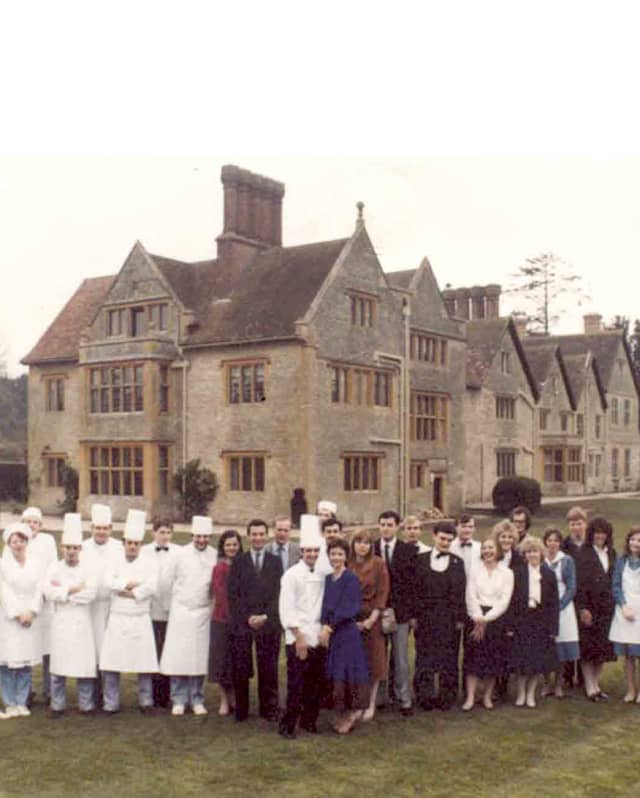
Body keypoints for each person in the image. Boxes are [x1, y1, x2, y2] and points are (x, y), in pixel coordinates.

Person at [99, 509, 158, 714]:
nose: (132, 547)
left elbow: (152, 585)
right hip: (118, 616)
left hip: (140, 616)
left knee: (144, 662)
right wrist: (131, 583)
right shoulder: (113, 560)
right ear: (123, 543)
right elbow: (108, 581)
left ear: (141, 545)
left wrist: (130, 592)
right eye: (129, 543)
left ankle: (146, 701)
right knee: (112, 661)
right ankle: (111, 702)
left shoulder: (150, 562)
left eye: (136, 543)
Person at [160, 515, 217, 716]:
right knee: (179, 657)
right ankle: (178, 699)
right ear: (192, 535)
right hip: (181, 612)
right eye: (198, 536)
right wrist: (170, 608)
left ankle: (197, 699)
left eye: (205, 537)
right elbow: (166, 582)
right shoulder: (179, 554)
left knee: (198, 659)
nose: (202, 540)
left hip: (203, 612)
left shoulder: (214, 555)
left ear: (209, 536)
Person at [227, 518, 283, 722]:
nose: (258, 538)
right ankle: (241, 710)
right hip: (243, 622)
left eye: (261, 534)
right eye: (254, 534)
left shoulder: (275, 562)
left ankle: (268, 708)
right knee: (241, 667)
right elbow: (233, 594)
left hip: (268, 622)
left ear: (266, 535)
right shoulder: (239, 561)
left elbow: (278, 593)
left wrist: (266, 616)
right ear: (248, 536)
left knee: (268, 667)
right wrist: (247, 617)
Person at [44, 513, 98, 717]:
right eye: (68, 547)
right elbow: (48, 592)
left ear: (80, 549)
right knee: (59, 663)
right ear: (62, 548)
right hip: (61, 620)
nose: (71, 552)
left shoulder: (88, 568)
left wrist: (64, 592)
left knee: (83, 664)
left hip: (82, 619)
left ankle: (86, 705)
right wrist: (74, 589)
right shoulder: (54, 567)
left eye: (75, 548)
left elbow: (91, 594)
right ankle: (57, 705)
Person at [278, 515, 326, 739]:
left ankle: (310, 721)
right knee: (296, 684)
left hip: (317, 635)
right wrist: (298, 637)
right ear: (301, 552)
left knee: (315, 684)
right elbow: (287, 609)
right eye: (309, 551)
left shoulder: (322, 573)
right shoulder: (291, 575)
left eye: (316, 551)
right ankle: (288, 724)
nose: (313, 555)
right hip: (297, 636)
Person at [412, 521, 466, 711]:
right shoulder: (420, 560)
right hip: (425, 617)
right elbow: (414, 590)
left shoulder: (458, 563)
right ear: (434, 536)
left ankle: (447, 697)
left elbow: (461, 593)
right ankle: (424, 696)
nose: (445, 543)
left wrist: (460, 619)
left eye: (449, 540)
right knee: (424, 656)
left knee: (449, 657)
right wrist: (414, 616)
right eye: (442, 539)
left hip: (449, 618)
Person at [319, 538, 370, 734]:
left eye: (340, 554)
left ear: (346, 556)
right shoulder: (327, 579)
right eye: (333, 554)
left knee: (349, 674)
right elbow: (324, 605)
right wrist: (324, 624)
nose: (336, 558)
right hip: (332, 635)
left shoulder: (350, 579)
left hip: (346, 633)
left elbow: (350, 608)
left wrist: (329, 627)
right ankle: (339, 713)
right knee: (336, 674)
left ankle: (351, 714)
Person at [462, 537, 514, 711]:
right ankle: (470, 697)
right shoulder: (474, 570)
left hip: (496, 619)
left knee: (493, 659)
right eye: (484, 548)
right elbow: (470, 595)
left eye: (491, 548)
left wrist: (487, 619)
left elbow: (504, 600)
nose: (487, 551)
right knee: (473, 658)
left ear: (498, 550)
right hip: (475, 617)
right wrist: (477, 617)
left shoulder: (507, 573)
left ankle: (486, 697)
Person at [80, 503, 124, 702]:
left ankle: (111, 698)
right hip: (89, 607)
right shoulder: (82, 548)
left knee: (111, 652)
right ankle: (93, 695)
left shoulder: (118, 548)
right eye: (97, 528)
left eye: (105, 528)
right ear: (91, 529)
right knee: (90, 651)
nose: (101, 532)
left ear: (111, 529)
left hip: (112, 606)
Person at [374, 510, 415, 715]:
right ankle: (380, 696)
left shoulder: (408, 550)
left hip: (400, 612)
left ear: (398, 526)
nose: (386, 528)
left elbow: (413, 585)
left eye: (390, 524)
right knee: (378, 655)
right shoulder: (371, 548)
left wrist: (411, 613)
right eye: (383, 524)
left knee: (401, 659)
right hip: (376, 612)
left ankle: (404, 698)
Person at [511, 536, 559, 708]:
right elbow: (512, 601)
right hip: (522, 620)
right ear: (525, 554)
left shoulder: (549, 574)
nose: (532, 554)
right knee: (522, 660)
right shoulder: (518, 573)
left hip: (541, 622)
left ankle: (531, 694)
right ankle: (521, 693)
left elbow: (554, 603)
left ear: (541, 553)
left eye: (535, 551)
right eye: (529, 551)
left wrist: (553, 628)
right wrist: (511, 625)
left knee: (536, 661)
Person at [0, 522, 42, 718]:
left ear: (27, 542)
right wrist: (17, 614)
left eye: (21, 541)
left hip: (29, 617)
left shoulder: (36, 564)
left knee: (24, 663)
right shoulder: (2, 565)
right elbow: (3, 592)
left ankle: (22, 701)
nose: (18, 545)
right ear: (9, 544)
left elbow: (39, 589)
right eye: (14, 541)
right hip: (9, 618)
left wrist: (31, 612)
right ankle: (9, 703)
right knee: (7, 662)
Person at [140, 516, 181, 709]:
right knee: (152, 651)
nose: (165, 536)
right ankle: (152, 695)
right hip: (149, 609)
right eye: (161, 532)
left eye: (168, 532)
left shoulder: (179, 553)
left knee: (168, 650)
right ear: (153, 533)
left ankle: (167, 695)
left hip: (171, 609)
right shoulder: (144, 552)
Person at [349, 528, 389, 721]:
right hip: (349, 619)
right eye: (358, 542)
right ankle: (357, 703)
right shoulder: (347, 563)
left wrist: (371, 620)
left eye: (366, 542)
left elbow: (382, 593)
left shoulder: (378, 564)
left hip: (371, 618)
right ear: (353, 544)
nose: (362, 546)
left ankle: (370, 703)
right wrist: (350, 621)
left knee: (373, 663)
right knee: (354, 663)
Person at [575, 516, 617, 701]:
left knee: (602, 648)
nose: (600, 535)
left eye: (603, 532)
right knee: (588, 648)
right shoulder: (583, 553)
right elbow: (579, 583)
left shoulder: (612, 553)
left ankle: (597, 684)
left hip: (607, 609)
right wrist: (582, 608)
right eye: (597, 532)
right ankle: (589, 686)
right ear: (591, 534)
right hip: (589, 608)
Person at [21, 506, 57, 705]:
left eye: (35, 522)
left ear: (40, 525)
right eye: (28, 521)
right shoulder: (16, 541)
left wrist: (45, 592)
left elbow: (52, 567)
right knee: (26, 648)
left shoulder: (48, 541)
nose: (31, 525)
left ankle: (50, 690)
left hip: (45, 602)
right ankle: (26, 691)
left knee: (48, 649)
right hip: (25, 604)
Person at [542, 527, 579, 699]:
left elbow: (571, 586)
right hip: (544, 608)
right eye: (549, 540)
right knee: (546, 647)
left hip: (564, 608)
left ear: (560, 543)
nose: (552, 544)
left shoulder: (567, 560)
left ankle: (558, 684)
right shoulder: (541, 560)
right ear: (545, 542)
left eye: (556, 540)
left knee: (561, 649)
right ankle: (546, 683)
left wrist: (560, 605)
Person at [208, 529, 242, 716]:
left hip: (239, 622)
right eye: (228, 544)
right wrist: (231, 617)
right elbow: (220, 595)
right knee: (222, 662)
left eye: (235, 544)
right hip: (222, 619)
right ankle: (224, 698)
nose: (232, 548)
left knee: (236, 661)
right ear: (223, 547)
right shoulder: (219, 568)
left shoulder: (244, 565)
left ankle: (235, 696)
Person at [491, 519, 525, 700]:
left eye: (509, 537)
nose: (506, 540)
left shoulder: (519, 559)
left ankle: (504, 685)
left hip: (512, 609)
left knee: (508, 647)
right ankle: (494, 685)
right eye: (503, 537)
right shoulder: (491, 556)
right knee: (494, 646)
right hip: (493, 607)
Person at [609, 527, 640, 703]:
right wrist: (624, 606)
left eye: (639, 540)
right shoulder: (622, 561)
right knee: (629, 656)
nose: (635, 543)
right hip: (625, 610)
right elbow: (616, 586)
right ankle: (630, 690)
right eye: (632, 539)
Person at [561, 506, 588, 690]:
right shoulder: (564, 545)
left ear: (585, 524)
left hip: (587, 595)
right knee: (569, 635)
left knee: (585, 636)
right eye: (572, 524)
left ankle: (584, 676)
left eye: (579, 523)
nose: (576, 527)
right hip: (570, 595)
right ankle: (568, 675)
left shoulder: (591, 545)